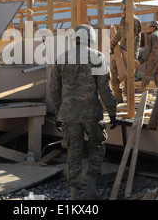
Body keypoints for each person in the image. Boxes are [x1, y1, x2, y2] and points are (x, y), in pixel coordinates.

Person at [49, 24, 118, 200]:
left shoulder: (62, 58)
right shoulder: (97, 57)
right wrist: (112, 112)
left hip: (69, 115)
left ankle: (74, 195)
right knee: (96, 148)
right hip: (91, 114)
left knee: (73, 152)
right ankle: (91, 189)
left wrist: (58, 113)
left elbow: (54, 89)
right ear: (91, 39)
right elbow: (105, 89)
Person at [110, 0, 141, 103]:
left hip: (130, 53)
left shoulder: (134, 21)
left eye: (124, 9)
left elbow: (132, 38)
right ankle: (118, 98)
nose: (123, 11)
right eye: (122, 9)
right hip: (121, 51)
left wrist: (131, 56)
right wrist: (112, 44)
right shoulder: (123, 20)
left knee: (129, 80)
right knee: (113, 72)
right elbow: (119, 34)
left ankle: (129, 103)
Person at [139, 20, 158, 92]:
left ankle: (143, 88)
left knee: (147, 72)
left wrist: (143, 58)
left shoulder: (151, 36)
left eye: (150, 27)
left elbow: (148, 49)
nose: (149, 28)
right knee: (156, 74)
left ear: (154, 27)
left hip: (153, 57)